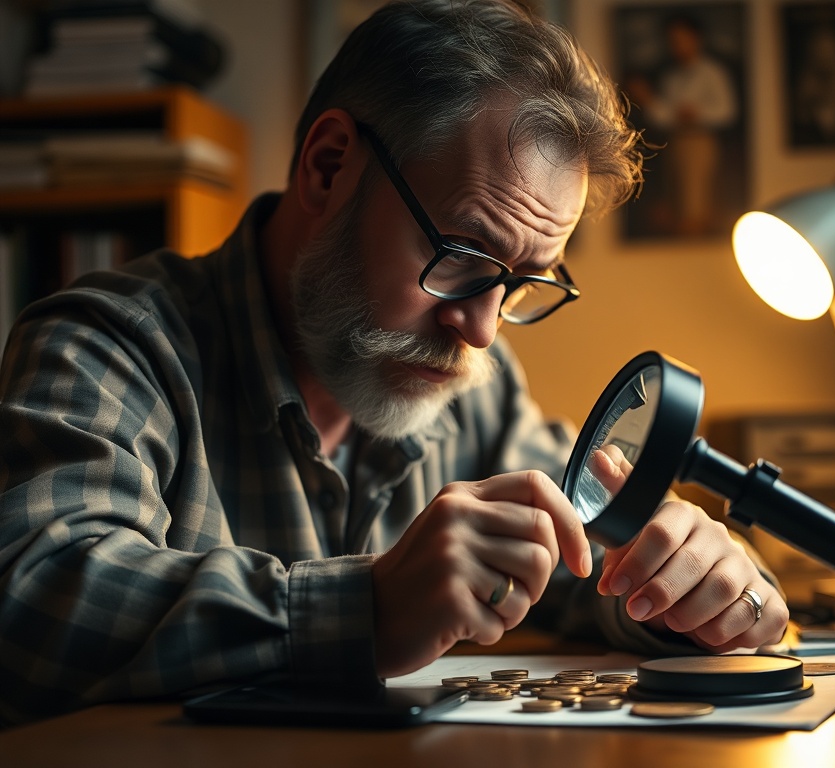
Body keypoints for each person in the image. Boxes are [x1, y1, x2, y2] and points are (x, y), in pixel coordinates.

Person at [0, 0, 787, 725]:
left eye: (522, 282)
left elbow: (586, 563)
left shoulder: (474, 396)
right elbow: (33, 600)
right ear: (328, 165)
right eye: (461, 253)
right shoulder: (109, 345)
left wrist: (690, 586)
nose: (480, 330)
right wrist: (367, 610)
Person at [627, 12, 738, 236]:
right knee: (676, 204)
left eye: (681, 40)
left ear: (696, 38)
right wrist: (648, 100)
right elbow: (666, 117)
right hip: (674, 142)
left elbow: (727, 111)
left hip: (699, 140)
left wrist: (698, 114)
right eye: (672, 41)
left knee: (695, 204)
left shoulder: (712, 73)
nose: (677, 46)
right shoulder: (672, 77)